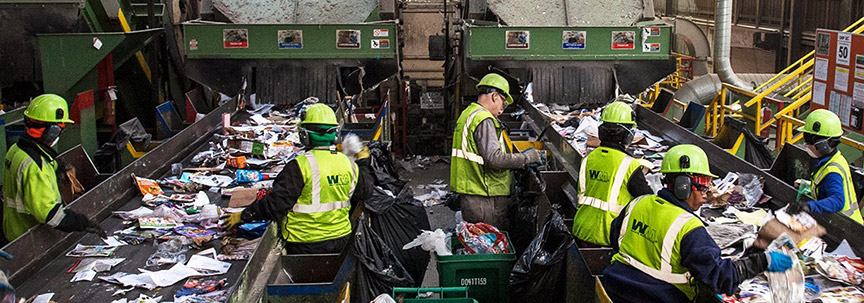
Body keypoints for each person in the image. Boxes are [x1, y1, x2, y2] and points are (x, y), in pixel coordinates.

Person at [602, 144, 793, 302]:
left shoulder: (637, 203)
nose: (706, 193)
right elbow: (722, 280)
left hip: (614, 292)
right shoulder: (687, 227)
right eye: (702, 186)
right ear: (683, 186)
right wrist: (763, 261)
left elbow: (614, 238)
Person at [226, 103, 373, 254]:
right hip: (341, 239)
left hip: (304, 243)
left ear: (304, 135)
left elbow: (276, 204)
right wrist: (363, 163)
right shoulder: (348, 163)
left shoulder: (299, 166)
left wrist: (245, 215)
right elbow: (366, 191)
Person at [3, 94, 106, 242]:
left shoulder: (16, 149)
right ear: (52, 131)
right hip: (27, 238)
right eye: (60, 129)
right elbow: (48, 214)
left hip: (13, 229)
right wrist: (81, 223)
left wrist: (58, 166)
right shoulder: (35, 166)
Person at [450, 73, 542, 230]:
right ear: (494, 96)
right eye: (503, 102)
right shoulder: (484, 119)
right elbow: (494, 158)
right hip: (485, 198)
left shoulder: (468, 114)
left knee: (477, 245)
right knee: (490, 247)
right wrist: (526, 158)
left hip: (473, 193)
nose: (502, 109)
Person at [571, 101, 653, 247]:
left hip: (580, 230)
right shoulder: (630, 165)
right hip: (609, 237)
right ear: (627, 134)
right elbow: (648, 202)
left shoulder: (589, 158)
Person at [787, 109, 863, 224]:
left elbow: (838, 201)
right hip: (840, 225)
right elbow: (825, 184)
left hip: (847, 229)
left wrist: (809, 206)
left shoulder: (833, 170)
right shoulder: (831, 159)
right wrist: (807, 185)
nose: (806, 145)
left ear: (823, 146)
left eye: (808, 142)